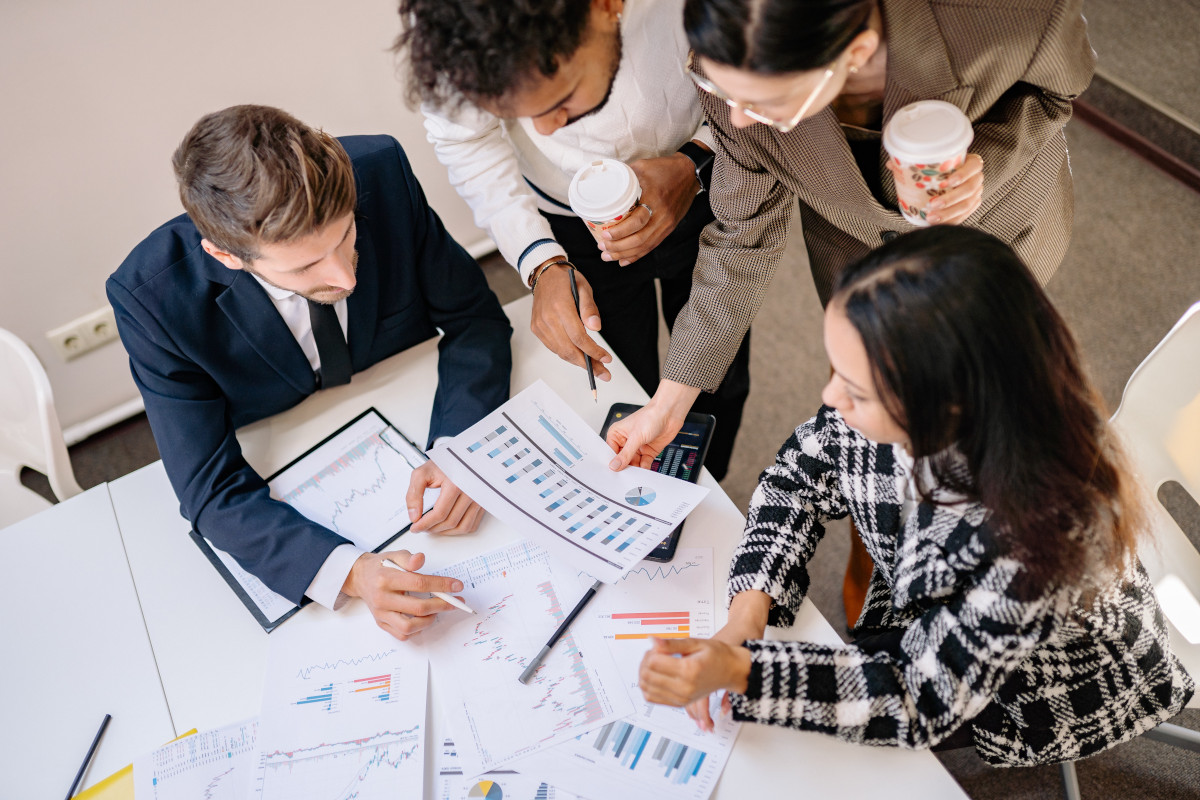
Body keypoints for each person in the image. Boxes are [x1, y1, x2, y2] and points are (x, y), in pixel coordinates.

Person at [605, 0, 1095, 621]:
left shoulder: (1013, 14)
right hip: (855, 255)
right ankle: (877, 549)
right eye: (719, 90)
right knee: (878, 423)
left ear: (856, 54)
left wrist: (986, 160)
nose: (734, 118)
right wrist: (668, 401)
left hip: (996, 236)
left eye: (763, 102)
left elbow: (1057, 90)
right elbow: (741, 238)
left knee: (984, 422)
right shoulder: (739, 66)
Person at [637, 227, 1194, 765]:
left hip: (1036, 689)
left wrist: (744, 672)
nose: (830, 396)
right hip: (929, 611)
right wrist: (746, 615)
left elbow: (915, 696)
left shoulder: (1042, 537)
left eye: (854, 390)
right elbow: (797, 472)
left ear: (943, 404)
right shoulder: (925, 398)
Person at [107, 105, 513, 641]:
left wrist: (461, 447)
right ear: (227, 256)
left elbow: (474, 320)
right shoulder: (151, 298)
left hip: (410, 397)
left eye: (347, 237)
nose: (343, 275)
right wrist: (349, 572)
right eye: (304, 267)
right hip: (286, 443)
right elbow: (208, 490)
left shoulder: (382, 171)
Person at [394, 0, 749, 480]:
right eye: (514, 113)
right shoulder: (446, 21)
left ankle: (713, 486)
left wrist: (699, 157)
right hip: (571, 221)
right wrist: (538, 260)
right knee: (622, 384)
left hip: (720, 167)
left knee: (719, 375)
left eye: (559, 101)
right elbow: (465, 140)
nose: (544, 130)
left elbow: (757, 49)